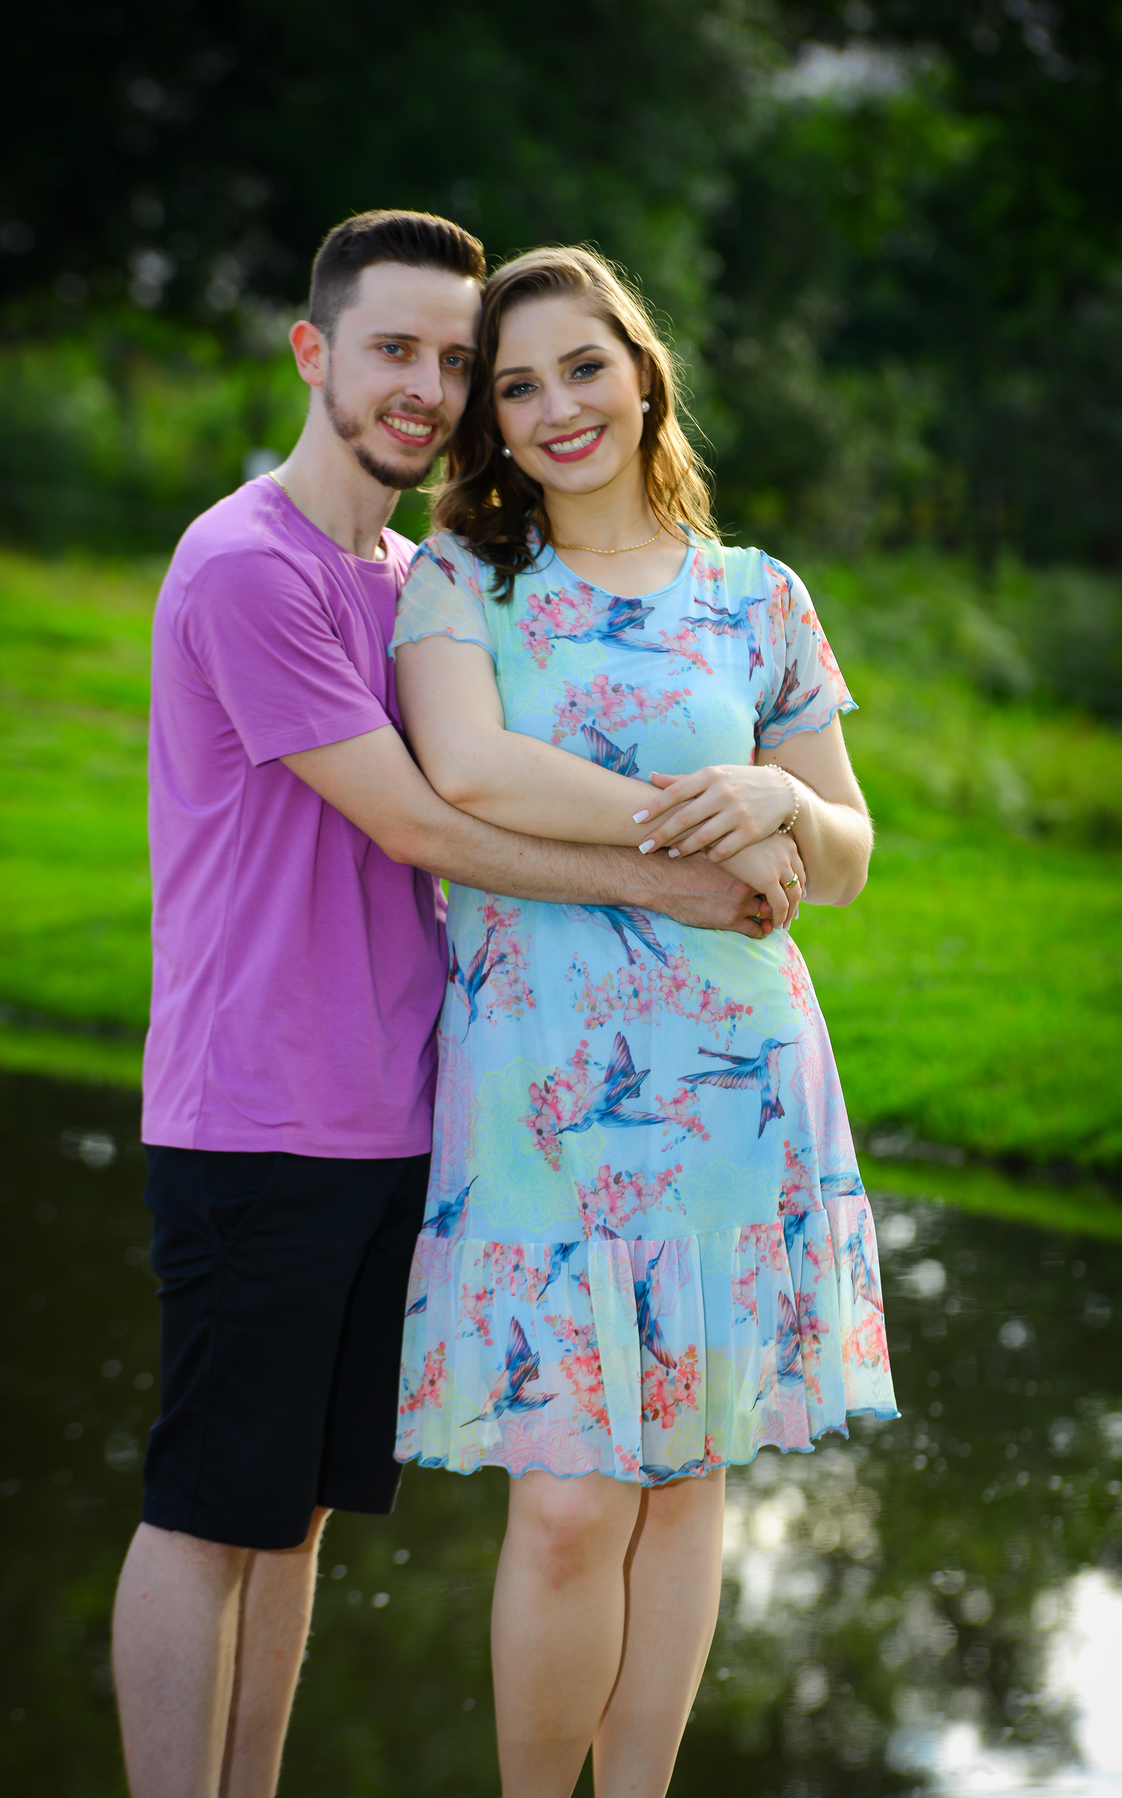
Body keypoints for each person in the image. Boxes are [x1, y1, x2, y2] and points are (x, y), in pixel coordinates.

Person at [110, 212, 773, 1798]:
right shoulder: (249, 564)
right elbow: (424, 819)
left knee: (294, 1515)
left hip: (400, 1113)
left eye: (453, 360)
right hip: (257, 1110)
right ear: (314, 352)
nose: (427, 385)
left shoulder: (411, 579)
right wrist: (678, 879)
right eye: (393, 349)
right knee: (208, 1509)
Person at [390, 245, 900, 1798]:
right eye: (517, 385)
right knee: (566, 1501)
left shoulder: (758, 595)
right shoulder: (461, 579)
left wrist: (778, 801)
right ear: (489, 418)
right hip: (538, 1088)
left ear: (642, 371)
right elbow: (470, 772)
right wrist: (698, 827)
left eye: (583, 367)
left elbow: (849, 850)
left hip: (733, 1086)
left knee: (683, 1481)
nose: (557, 407)